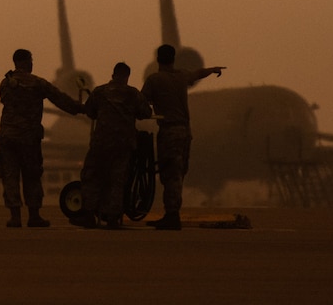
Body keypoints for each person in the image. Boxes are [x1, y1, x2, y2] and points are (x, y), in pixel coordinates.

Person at [0, 47, 84, 227]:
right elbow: (59, 99)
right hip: (28, 139)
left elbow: (5, 100)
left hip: (8, 138)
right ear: (26, 61)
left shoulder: (5, 83)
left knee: (10, 177)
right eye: (30, 60)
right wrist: (79, 108)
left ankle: (15, 217)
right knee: (32, 175)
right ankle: (34, 216)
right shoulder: (37, 83)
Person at [140, 43, 224, 230]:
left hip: (169, 132)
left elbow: (140, 103)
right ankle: (172, 213)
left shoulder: (154, 80)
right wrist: (212, 70)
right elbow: (197, 74)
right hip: (185, 132)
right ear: (173, 59)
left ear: (158, 60)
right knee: (178, 173)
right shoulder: (181, 77)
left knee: (170, 175)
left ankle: (172, 215)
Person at [79, 61, 151, 228]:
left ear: (113, 75)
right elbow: (146, 112)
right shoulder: (133, 94)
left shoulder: (100, 92)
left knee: (92, 176)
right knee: (117, 180)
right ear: (127, 77)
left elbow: (89, 111)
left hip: (101, 143)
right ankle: (113, 217)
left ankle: (89, 214)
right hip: (123, 144)